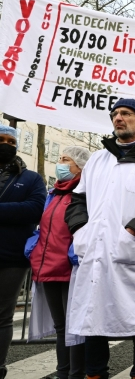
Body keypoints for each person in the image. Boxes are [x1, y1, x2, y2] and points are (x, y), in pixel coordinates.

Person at [64, 99, 135, 379]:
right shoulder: (97, 159)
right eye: (115, 114)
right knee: (94, 318)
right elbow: (77, 200)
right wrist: (81, 230)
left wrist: (134, 230)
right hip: (95, 252)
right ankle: (95, 374)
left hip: (134, 255)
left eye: (126, 114)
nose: (119, 118)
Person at [25, 146, 91, 379]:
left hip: (71, 267)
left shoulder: (85, 193)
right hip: (48, 267)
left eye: (66, 160)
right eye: (60, 159)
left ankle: (77, 373)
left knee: (76, 327)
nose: (60, 163)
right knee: (61, 326)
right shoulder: (53, 193)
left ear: (80, 167)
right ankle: (63, 372)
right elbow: (44, 226)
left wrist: (76, 251)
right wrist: (34, 245)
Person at [0, 124, 46, 379]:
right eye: (1, 139)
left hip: (12, 257)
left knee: (3, 315)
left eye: (11, 140)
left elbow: (34, 209)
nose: (6, 144)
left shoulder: (31, 178)